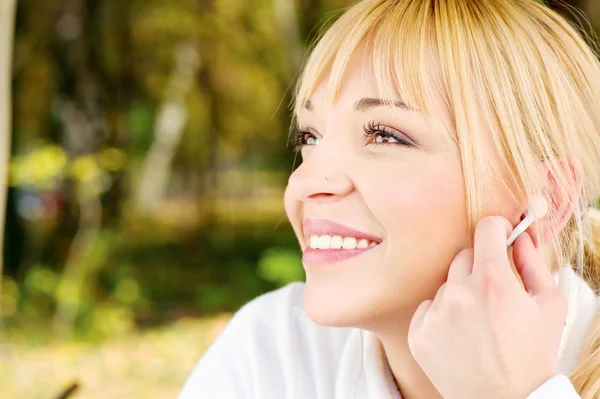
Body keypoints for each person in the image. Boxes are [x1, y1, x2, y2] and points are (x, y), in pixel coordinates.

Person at [178, 0, 600, 397]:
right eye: (310, 136)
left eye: (385, 135)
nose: (305, 183)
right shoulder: (273, 351)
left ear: (546, 200)